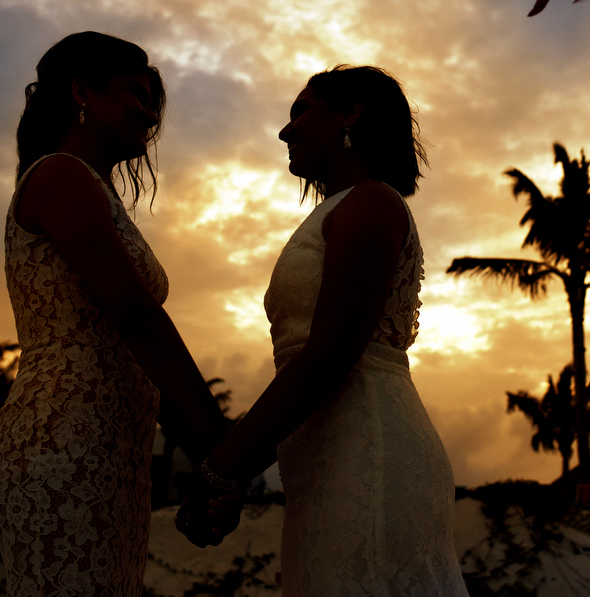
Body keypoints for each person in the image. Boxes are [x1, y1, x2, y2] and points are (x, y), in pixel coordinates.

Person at [177, 65, 469, 595]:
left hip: (369, 453)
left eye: (301, 112)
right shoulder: (337, 211)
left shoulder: (373, 202)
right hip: (320, 462)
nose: (286, 132)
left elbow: (331, 353)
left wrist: (222, 470)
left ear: (350, 112)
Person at [0, 32, 233, 596]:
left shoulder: (90, 188)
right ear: (82, 93)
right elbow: (137, 321)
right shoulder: (60, 176)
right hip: (63, 442)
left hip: (112, 455)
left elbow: (137, 349)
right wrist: (225, 451)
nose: (149, 115)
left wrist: (209, 464)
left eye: (152, 102)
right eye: (135, 95)